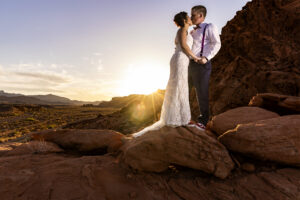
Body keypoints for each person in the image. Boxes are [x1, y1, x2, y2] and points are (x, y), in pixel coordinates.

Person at [131, 12, 201, 138]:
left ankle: (179, 117)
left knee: (180, 87)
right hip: (180, 59)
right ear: (185, 20)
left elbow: (181, 46)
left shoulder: (183, 31)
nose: (191, 19)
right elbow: (184, 46)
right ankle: (177, 119)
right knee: (179, 87)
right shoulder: (182, 31)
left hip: (180, 59)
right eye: (189, 17)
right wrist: (195, 57)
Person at [188, 5, 221, 129]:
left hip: (202, 64)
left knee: (201, 92)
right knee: (184, 91)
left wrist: (206, 58)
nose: (191, 17)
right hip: (189, 64)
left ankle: (203, 121)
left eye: (193, 15)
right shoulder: (192, 31)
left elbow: (216, 44)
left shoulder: (209, 27)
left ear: (201, 15)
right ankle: (185, 117)